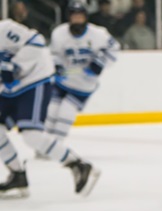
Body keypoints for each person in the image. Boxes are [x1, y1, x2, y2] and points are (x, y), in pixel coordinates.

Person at [1, 18, 101, 198]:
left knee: (32, 136)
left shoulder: (5, 28)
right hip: (8, 90)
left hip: (33, 81)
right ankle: (18, 175)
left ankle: (78, 164)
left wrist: (14, 66)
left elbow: (36, 42)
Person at [46, 1, 120, 141]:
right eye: (75, 17)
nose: (77, 20)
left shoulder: (98, 34)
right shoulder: (59, 33)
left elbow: (114, 48)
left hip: (84, 85)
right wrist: (57, 66)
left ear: (86, 17)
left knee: (66, 113)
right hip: (62, 81)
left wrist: (100, 63)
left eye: (80, 17)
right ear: (69, 18)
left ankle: (56, 146)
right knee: (51, 111)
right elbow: (53, 54)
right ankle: (43, 145)